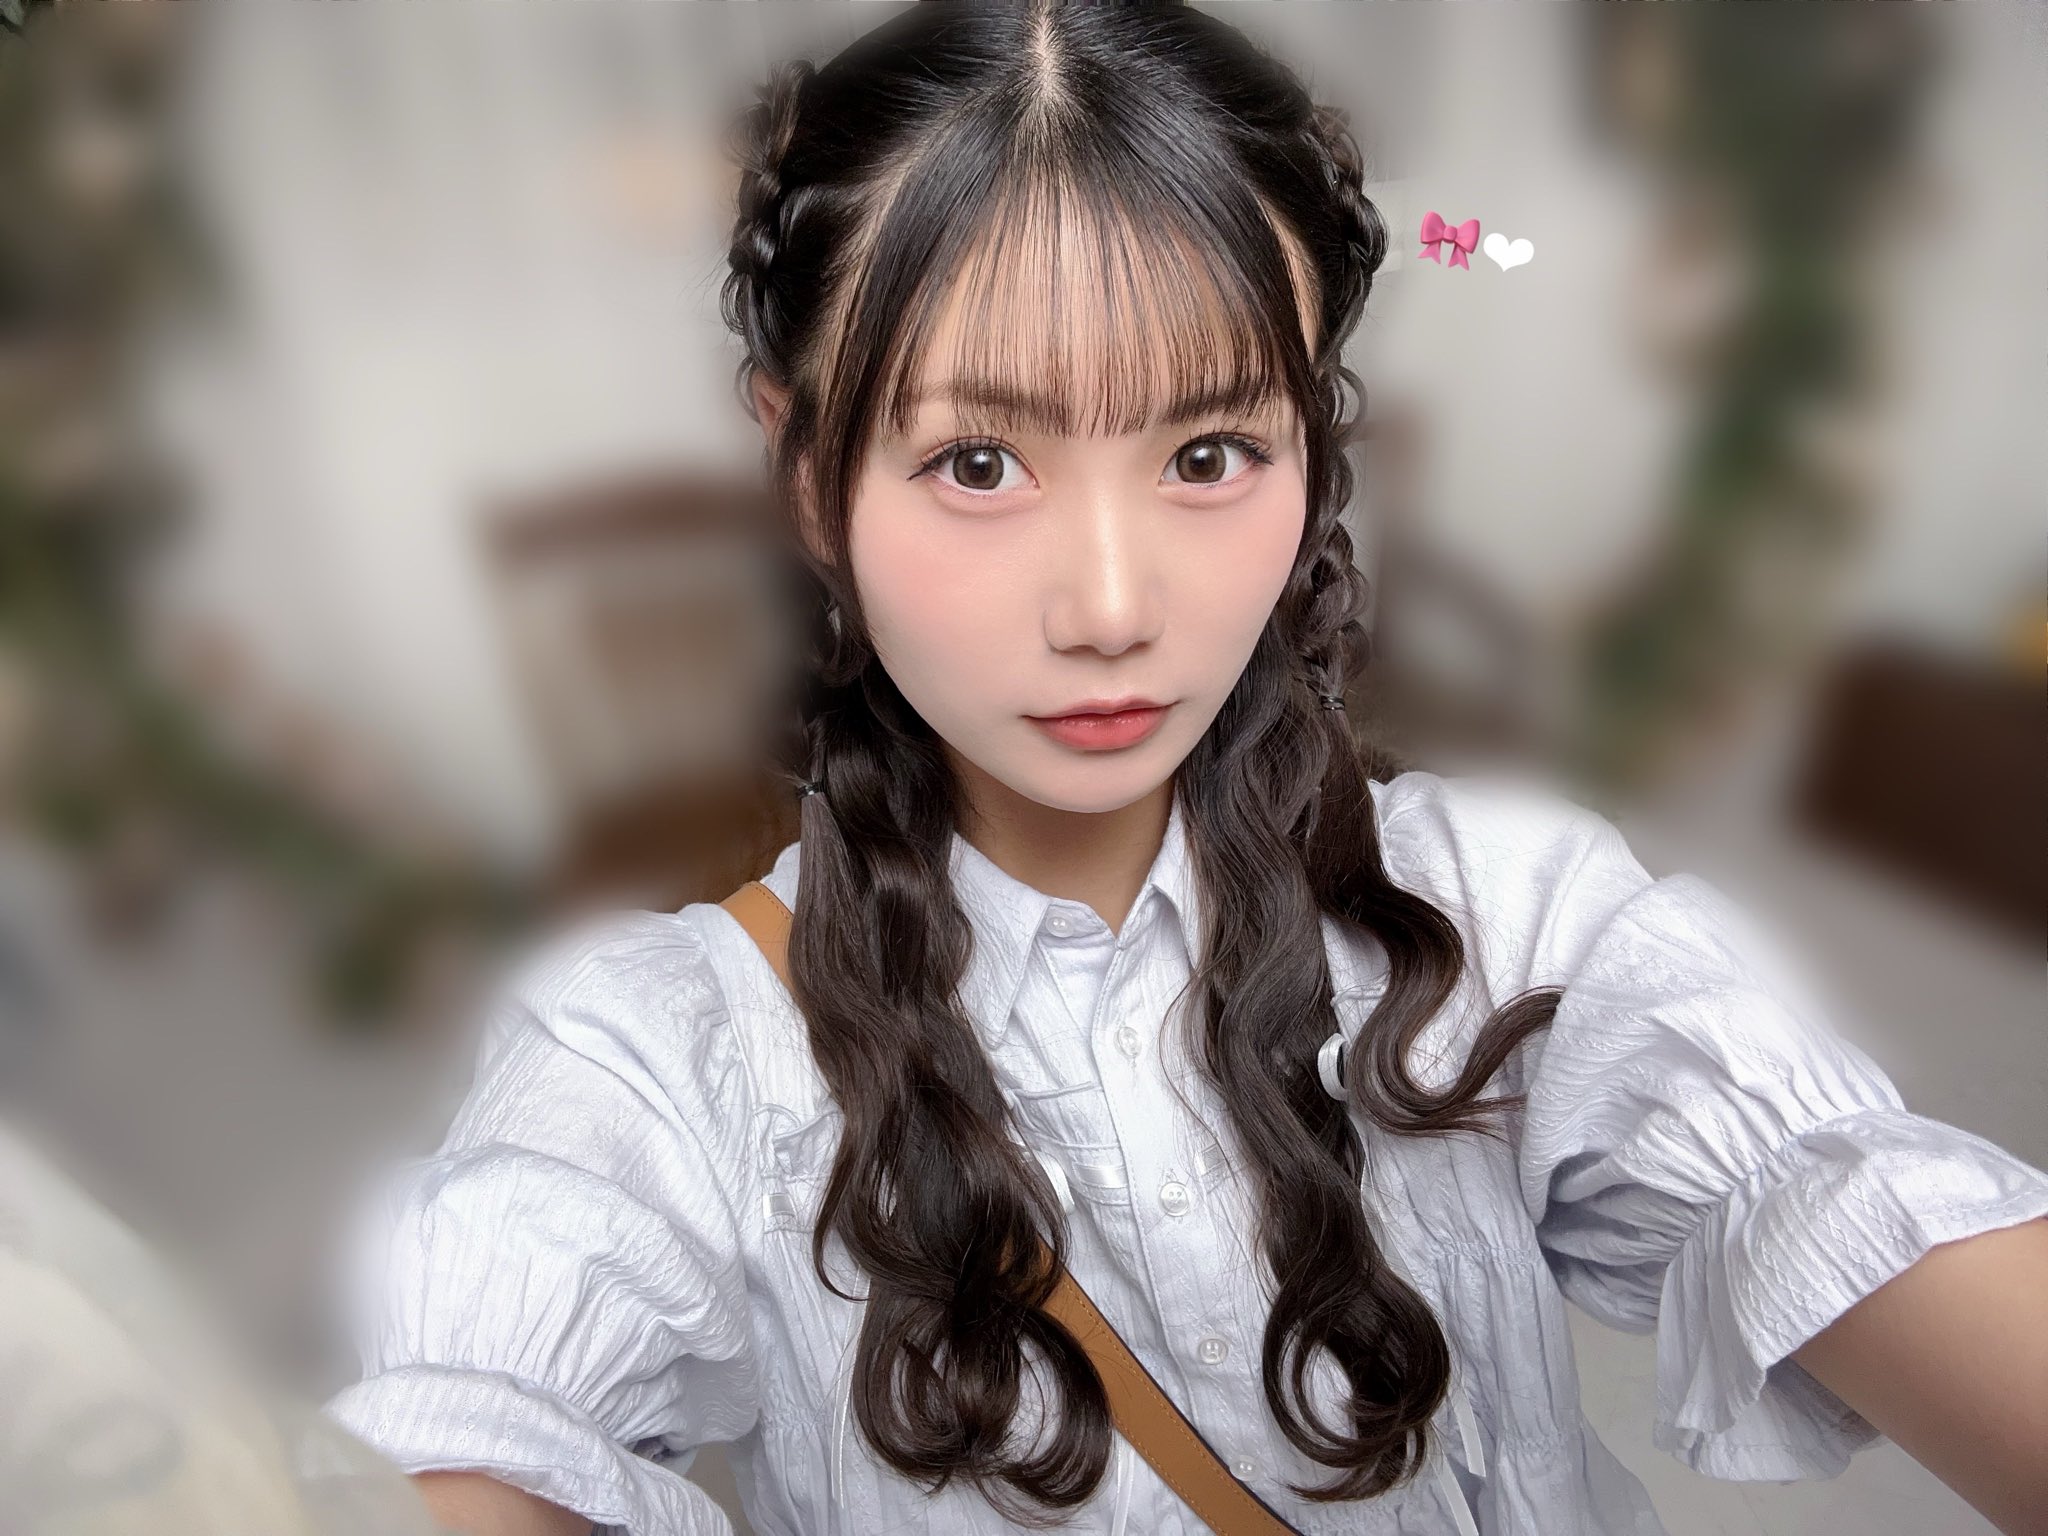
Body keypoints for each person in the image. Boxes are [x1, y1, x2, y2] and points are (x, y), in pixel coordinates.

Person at [323, 4, 2048, 1534]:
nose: (1112, 608)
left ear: (1312, 442)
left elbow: (1832, 1195)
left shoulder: (1512, 924)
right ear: (805, 471)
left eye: (1210, 452)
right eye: (978, 462)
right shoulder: (660, 1066)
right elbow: (486, 1421)